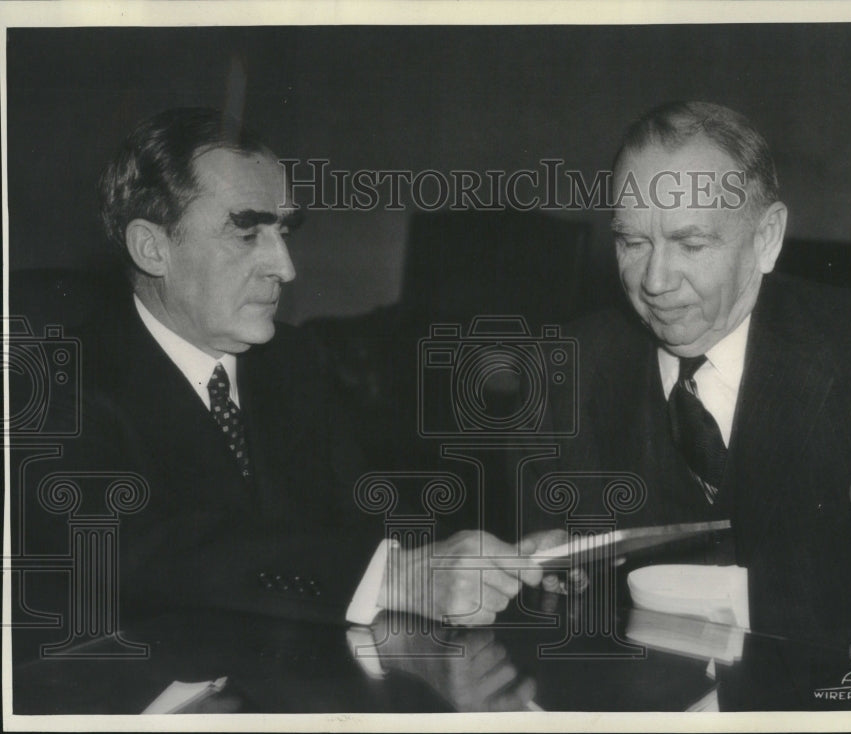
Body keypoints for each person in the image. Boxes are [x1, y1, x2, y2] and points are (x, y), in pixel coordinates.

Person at [48, 107, 543, 627]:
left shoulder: (292, 360)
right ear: (152, 248)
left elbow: (364, 518)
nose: (286, 268)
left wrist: (506, 563)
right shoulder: (59, 390)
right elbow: (156, 557)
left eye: (283, 231)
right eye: (247, 234)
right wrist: (398, 576)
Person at [524, 101, 851, 650]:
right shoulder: (560, 372)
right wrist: (544, 581)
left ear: (766, 238)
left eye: (691, 244)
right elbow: (536, 618)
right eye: (632, 242)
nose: (654, 281)